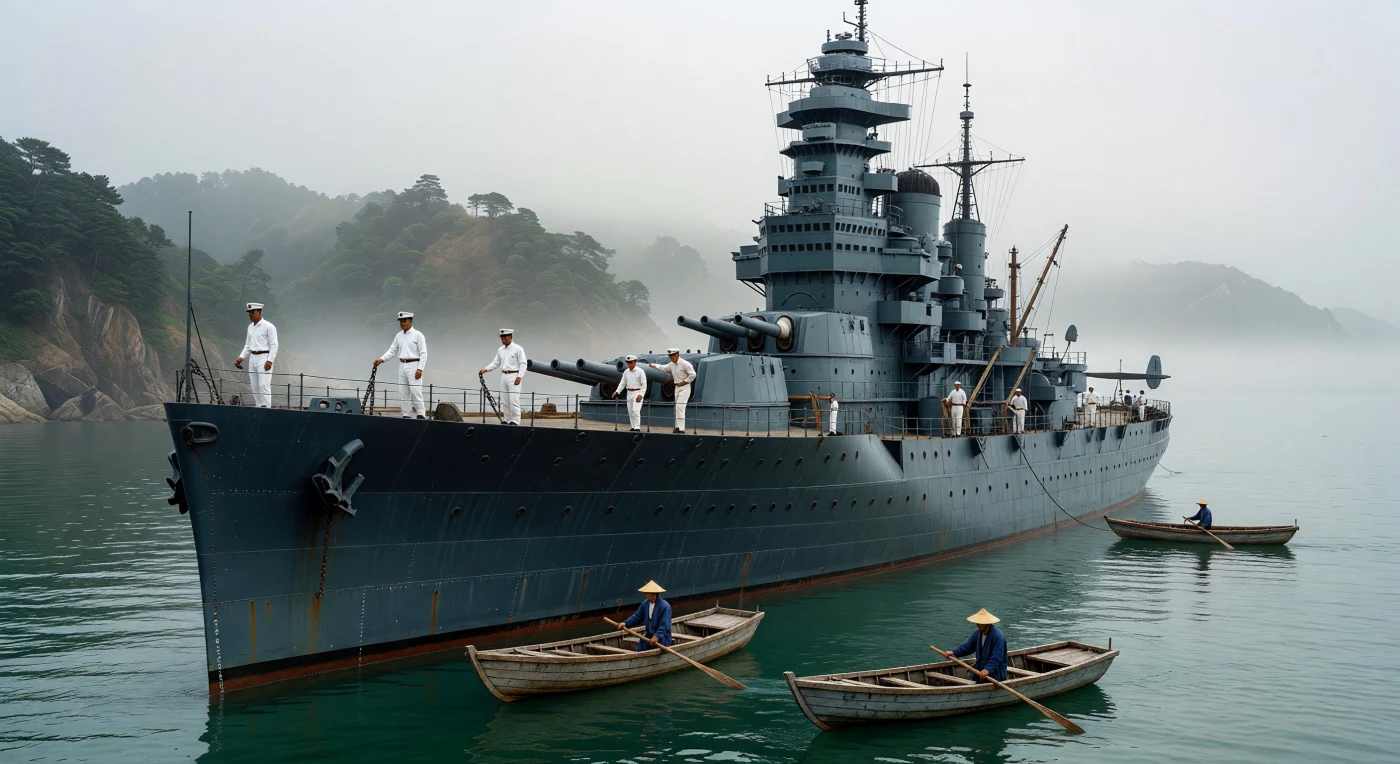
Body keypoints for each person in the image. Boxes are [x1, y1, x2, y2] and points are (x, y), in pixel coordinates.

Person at [373, 311, 428, 419]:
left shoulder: (418, 335)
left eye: (404, 321)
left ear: (410, 321)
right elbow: (392, 350)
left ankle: (421, 414)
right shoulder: (399, 336)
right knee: (403, 391)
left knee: (415, 391)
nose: (402, 323)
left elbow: (423, 353)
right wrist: (382, 359)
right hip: (402, 365)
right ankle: (406, 414)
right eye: (401, 321)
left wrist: (420, 368)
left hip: (414, 364)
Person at [938, 608, 1007, 683]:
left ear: (986, 624)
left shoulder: (998, 636)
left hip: (995, 674)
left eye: (979, 623)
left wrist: (988, 669)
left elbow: (997, 656)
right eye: (977, 623)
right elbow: (968, 647)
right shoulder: (978, 633)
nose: (977, 625)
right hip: (979, 670)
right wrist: (953, 652)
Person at [478, 329, 527, 425]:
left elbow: (523, 363)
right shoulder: (500, 350)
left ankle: (516, 421)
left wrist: (519, 376)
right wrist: (486, 369)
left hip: (514, 375)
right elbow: (496, 362)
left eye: (504, 338)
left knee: (514, 400)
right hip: (504, 375)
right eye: (502, 338)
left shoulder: (518, 349)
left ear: (510, 337)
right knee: (505, 400)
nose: (503, 340)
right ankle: (507, 419)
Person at [234, 302, 278, 408]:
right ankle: (259, 407)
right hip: (252, 357)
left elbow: (274, 345)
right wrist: (241, 358)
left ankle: (267, 408)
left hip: (264, 357)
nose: (250, 314)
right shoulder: (250, 327)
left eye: (252, 312)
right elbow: (248, 345)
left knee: (264, 385)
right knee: (254, 386)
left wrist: (270, 360)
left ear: (259, 312)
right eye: (249, 312)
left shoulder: (269, 326)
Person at [649, 349, 696, 433]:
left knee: (680, 407)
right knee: (676, 408)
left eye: (672, 356)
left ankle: (681, 428)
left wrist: (684, 382)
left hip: (684, 388)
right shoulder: (672, 365)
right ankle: (677, 427)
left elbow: (693, 374)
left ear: (677, 355)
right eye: (670, 356)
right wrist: (653, 365)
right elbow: (663, 368)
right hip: (677, 388)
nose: (671, 358)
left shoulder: (685, 364)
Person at [622, 580, 672, 651]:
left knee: (656, 645)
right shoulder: (645, 604)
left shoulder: (664, 606)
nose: (645, 594)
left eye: (646, 593)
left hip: (663, 637)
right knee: (641, 646)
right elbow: (637, 617)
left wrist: (657, 637)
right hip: (649, 635)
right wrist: (625, 623)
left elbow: (664, 625)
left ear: (653, 594)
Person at [612, 354, 647, 431]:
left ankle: (637, 427)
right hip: (629, 392)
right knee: (630, 411)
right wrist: (617, 391)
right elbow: (623, 383)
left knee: (636, 411)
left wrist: (641, 395)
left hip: (637, 392)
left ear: (634, 362)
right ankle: (633, 426)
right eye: (627, 363)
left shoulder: (640, 371)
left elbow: (644, 384)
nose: (628, 364)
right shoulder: (626, 372)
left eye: (630, 362)